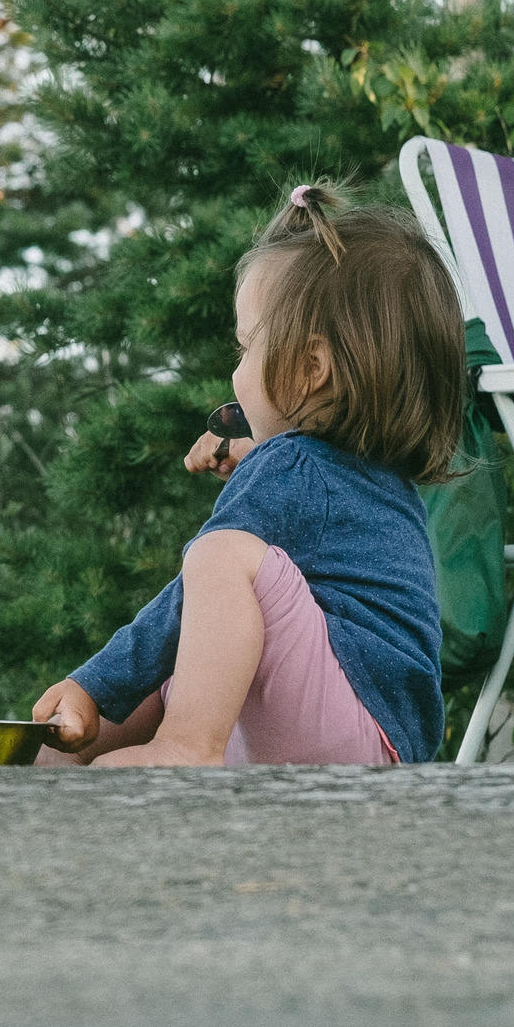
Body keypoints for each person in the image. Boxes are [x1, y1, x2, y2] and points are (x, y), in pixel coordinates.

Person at [33, 184, 467, 767]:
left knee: (216, 560)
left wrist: (93, 681)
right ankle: (65, 762)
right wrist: (255, 461)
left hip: (342, 723)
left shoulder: (288, 468)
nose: (236, 370)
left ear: (311, 368)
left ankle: (186, 748)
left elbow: (192, 592)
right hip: (385, 739)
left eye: (245, 348)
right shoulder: (377, 480)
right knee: (195, 648)